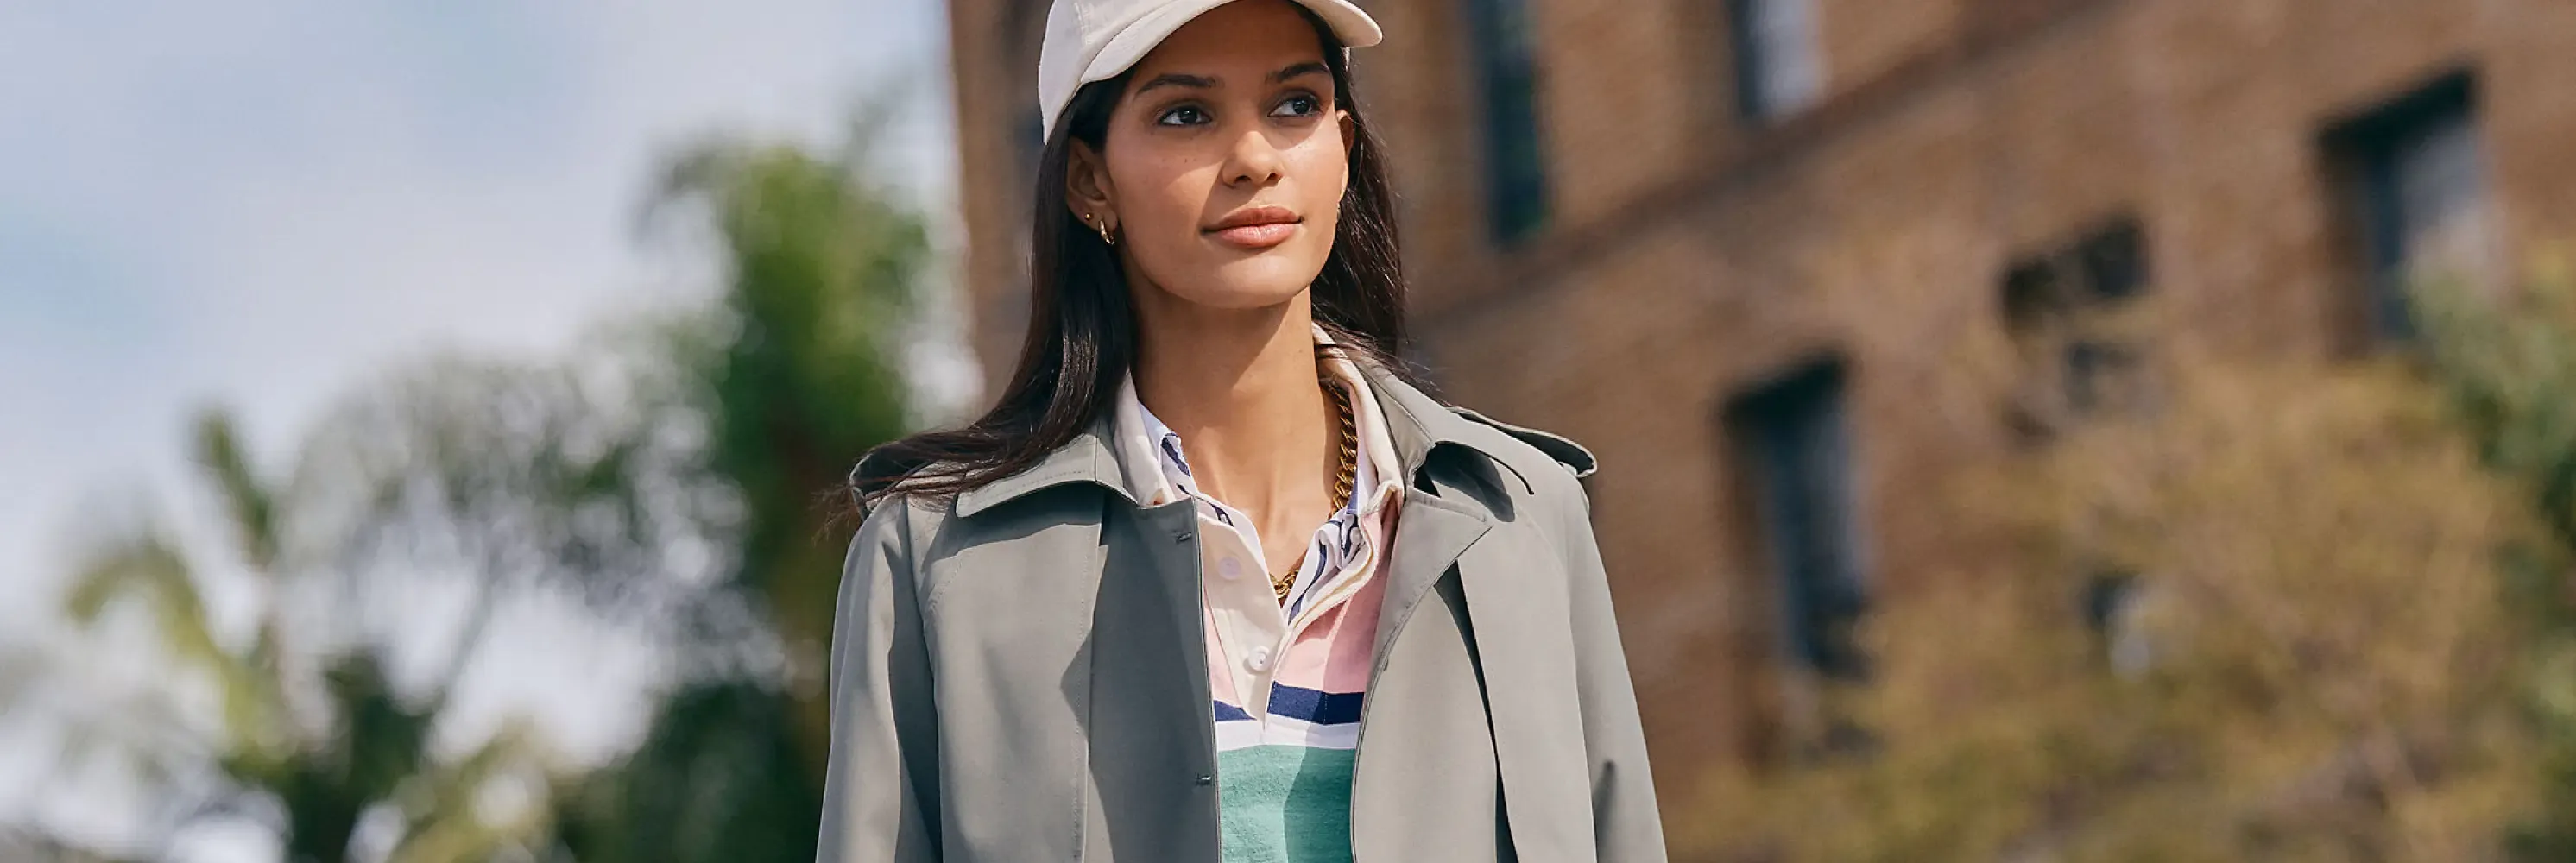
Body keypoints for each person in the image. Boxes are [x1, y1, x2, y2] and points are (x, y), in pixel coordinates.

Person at [818, 0, 1665, 859]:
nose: (1255, 159)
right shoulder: (933, 568)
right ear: (1087, 180)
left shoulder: (1523, 519)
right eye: (1186, 113)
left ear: (1343, 146)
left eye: (1293, 105)